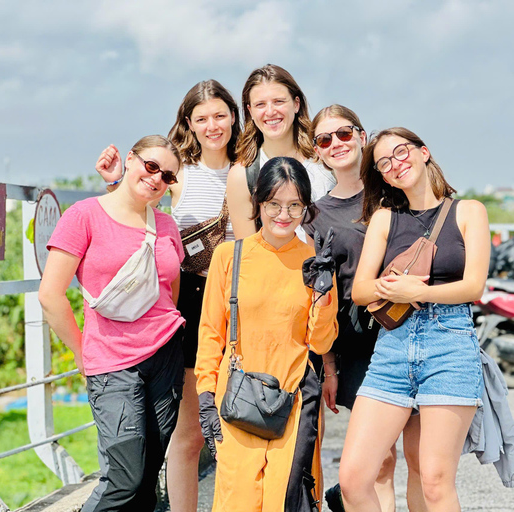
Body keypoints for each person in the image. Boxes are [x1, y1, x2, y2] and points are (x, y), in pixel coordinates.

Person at [94, 80, 254, 512]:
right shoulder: (177, 172)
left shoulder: (250, 167)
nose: (212, 125)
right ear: (188, 123)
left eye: (220, 115)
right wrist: (115, 182)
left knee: (243, 421)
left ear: (234, 116)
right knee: (189, 434)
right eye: (201, 118)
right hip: (192, 300)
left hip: (243, 299)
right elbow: (136, 215)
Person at [339, 128, 490, 511]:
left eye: (401, 152)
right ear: (383, 176)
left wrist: (416, 292)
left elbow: (474, 286)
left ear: (424, 152)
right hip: (392, 350)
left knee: (435, 482)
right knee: (353, 480)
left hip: (450, 346)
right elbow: (360, 290)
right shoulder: (385, 219)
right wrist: (392, 288)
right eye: (384, 163)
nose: (395, 164)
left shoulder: (469, 211)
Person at [40, 135, 185, 511]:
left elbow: (170, 293)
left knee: (148, 476)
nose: (157, 178)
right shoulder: (84, 215)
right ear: (131, 159)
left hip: (166, 357)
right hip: (110, 361)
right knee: (124, 477)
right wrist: (81, 351)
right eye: (151, 166)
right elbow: (50, 295)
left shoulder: (167, 226)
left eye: (167, 175)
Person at [195, 157, 338, 511]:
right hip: (237, 399)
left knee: (285, 500)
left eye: (294, 205)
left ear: (306, 207)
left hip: (294, 400)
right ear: (259, 203)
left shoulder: (314, 261)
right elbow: (211, 332)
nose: (284, 215)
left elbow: (320, 342)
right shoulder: (229, 256)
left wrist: (324, 294)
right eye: (274, 204)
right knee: (237, 500)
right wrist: (205, 396)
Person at [307, 106, 426, 511]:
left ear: (361, 136)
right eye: (325, 139)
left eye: (344, 134)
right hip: (358, 344)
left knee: (422, 460)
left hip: (416, 330)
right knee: (379, 463)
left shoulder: (396, 192)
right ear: (317, 150)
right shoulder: (316, 215)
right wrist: (329, 367)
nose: (336, 144)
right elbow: (320, 296)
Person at [226, 64, 336, 241]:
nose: (270, 112)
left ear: (296, 104)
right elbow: (247, 251)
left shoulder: (326, 159)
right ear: (250, 111)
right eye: (260, 104)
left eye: (279, 101)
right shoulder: (242, 175)